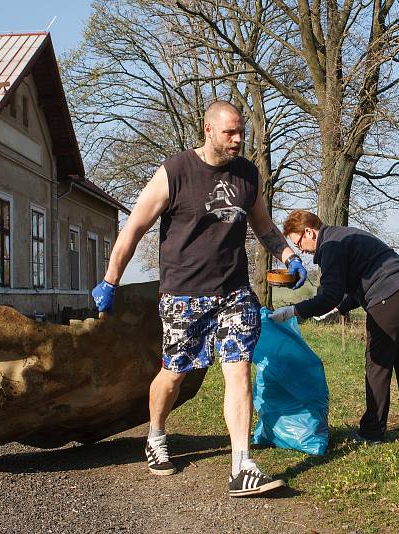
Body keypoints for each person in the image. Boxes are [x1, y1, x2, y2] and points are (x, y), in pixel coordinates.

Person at [91, 101, 307, 497]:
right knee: (174, 374)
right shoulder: (175, 172)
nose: (238, 140)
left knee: (239, 369)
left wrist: (289, 257)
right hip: (184, 293)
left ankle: (241, 464)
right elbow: (135, 227)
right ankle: (155, 434)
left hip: (234, 291)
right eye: (230, 133)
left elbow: (264, 226)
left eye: (241, 132)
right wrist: (110, 279)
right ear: (208, 129)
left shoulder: (247, 175)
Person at [269, 210, 399, 445]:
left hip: (389, 295)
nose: (301, 250)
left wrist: (294, 310)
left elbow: (330, 294)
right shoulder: (345, 235)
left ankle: (372, 432)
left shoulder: (330, 246)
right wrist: (340, 308)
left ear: (309, 232)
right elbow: (360, 281)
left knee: (378, 366)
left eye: (298, 243)